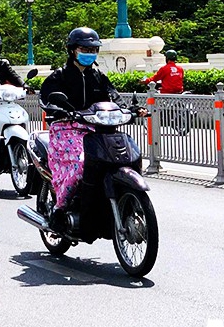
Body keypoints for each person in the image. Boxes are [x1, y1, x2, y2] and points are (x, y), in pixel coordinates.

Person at [39, 27, 145, 231]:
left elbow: (113, 96)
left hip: (98, 128)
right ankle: (61, 210)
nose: (89, 53)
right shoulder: (59, 76)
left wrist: (130, 110)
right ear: (72, 50)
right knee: (80, 165)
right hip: (67, 128)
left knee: (130, 157)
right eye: (84, 49)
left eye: (93, 49)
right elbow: (47, 98)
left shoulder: (98, 76)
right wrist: (59, 110)